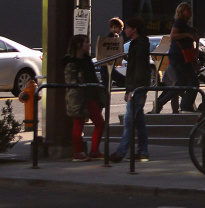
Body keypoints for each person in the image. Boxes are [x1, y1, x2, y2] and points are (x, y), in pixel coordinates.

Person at [109, 17, 150, 163]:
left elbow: (138, 69)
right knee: (138, 120)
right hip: (137, 86)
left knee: (129, 118)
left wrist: (132, 89)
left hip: (138, 86)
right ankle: (143, 151)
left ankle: (121, 151)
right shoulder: (137, 44)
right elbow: (134, 69)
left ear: (135, 29)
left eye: (127, 28)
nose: (125, 30)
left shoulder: (140, 45)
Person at [63, 34, 107, 162]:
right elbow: (71, 82)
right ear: (78, 45)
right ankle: (78, 153)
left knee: (99, 123)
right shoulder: (71, 63)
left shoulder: (87, 60)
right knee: (79, 125)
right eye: (86, 42)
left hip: (90, 96)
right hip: (79, 97)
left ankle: (94, 151)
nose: (88, 45)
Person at [152, 2, 200, 113]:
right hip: (179, 57)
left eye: (190, 9)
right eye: (187, 9)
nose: (190, 11)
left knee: (181, 84)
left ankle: (160, 102)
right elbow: (173, 35)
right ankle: (186, 106)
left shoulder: (184, 24)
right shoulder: (179, 23)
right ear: (181, 11)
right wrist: (188, 35)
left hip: (181, 56)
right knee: (193, 82)